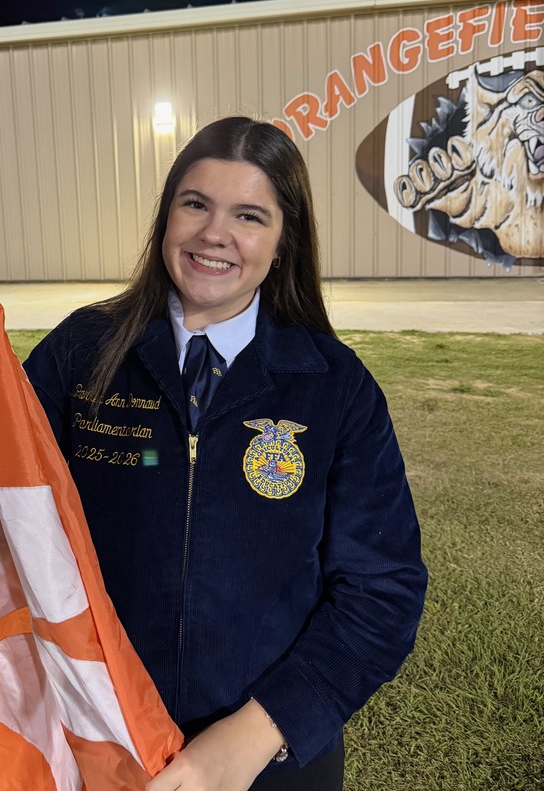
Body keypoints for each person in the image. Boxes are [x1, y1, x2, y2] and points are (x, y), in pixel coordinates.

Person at [23, 116, 427, 791]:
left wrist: (252, 737)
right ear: (166, 218)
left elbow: (382, 591)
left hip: (270, 755)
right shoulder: (81, 354)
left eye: (249, 215)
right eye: (195, 204)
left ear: (283, 242)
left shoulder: (335, 388)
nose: (214, 234)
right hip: (99, 732)